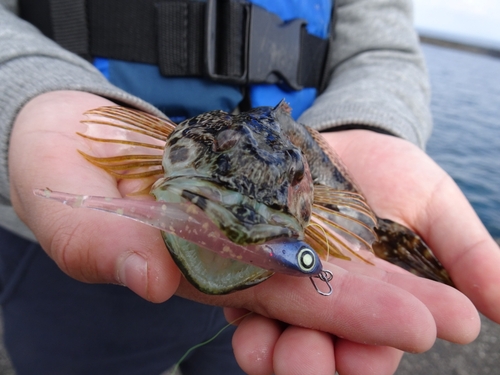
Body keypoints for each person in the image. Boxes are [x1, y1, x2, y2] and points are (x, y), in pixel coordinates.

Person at [1, 0, 499, 374]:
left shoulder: (303, 191)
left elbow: (381, 48)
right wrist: (25, 90)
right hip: (54, 266)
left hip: (261, 306)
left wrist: (374, 124)